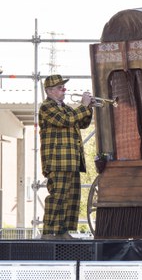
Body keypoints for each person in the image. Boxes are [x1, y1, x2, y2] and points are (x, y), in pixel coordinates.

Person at [39, 74, 93, 239]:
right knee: (57, 197)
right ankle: (48, 233)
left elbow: (82, 123)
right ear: (49, 91)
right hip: (57, 160)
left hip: (72, 160)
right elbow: (66, 120)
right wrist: (83, 106)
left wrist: (89, 108)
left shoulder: (66, 107)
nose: (64, 90)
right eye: (60, 87)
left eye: (63, 87)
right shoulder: (46, 107)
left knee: (71, 198)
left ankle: (63, 231)